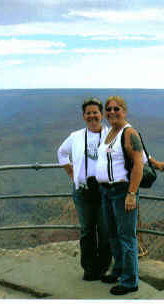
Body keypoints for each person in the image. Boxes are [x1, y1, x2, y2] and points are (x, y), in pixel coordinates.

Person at [95, 96, 164, 295]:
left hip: (121, 191)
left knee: (126, 237)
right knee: (113, 234)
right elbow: (143, 155)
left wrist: (131, 194)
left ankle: (129, 281)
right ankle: (118, 270)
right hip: (106, 191)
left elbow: (137, 164)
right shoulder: (110, 132)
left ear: (124, 111)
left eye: (116, 108)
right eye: (108, 109)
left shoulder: (128, 132)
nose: (111, 112)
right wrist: (155, 161)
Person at [57, 97, 112, 281]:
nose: (92, 116)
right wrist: (71, 172)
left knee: (104, 231)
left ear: (101, 114)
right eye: (88, 113)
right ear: (83, 116)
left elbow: (131, 150)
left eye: (95, 112)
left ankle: (103, 267)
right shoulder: (76, 136)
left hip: (105, 191)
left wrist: (150, 160)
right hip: (83, 191)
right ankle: (89, 268)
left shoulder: (111, 134)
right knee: (87, 231)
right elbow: (61, 152)